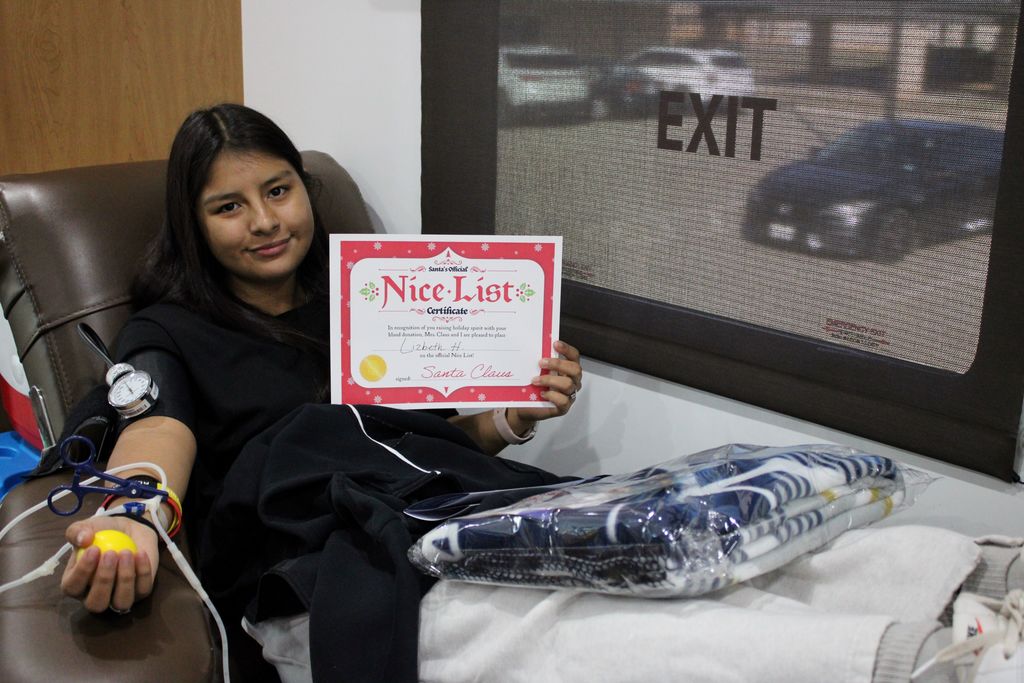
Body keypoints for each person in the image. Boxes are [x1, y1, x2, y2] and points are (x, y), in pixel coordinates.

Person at [59, 103, 582, 624]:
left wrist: (511, 418)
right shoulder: (167, 328)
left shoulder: (373, 292)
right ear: (192, 223)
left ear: (305, 187)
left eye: (278, 191)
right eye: (228, 207)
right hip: (312, 565)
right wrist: (134, 512)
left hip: (437, 517)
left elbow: (414, 448)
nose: (265, 222)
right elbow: (156, 428)